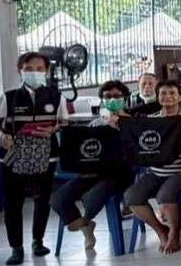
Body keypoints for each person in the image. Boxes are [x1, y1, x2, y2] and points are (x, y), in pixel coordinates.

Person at [0, 52, 67, 265]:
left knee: (42, 199)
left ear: (47, 71)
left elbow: (64, 122)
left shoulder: (56, 96)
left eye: (39, 69)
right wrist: (3, 136)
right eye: (29, 69)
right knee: (13, 202)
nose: (34, 72)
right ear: (20, 71)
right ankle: (16, 247)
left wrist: (52, 130)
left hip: (45, 154)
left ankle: (38, 241)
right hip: (13, 155)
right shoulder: (9, 97)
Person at [50, 81, 134, 252]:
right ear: (102, 100)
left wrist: (120, 130)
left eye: (117, 96)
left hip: (118, 174)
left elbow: (137, 152)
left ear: (124, 98)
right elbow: (86, 151)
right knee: (58, 199)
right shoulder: (95, 124)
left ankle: (85, 221)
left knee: (92, 196)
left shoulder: (133, 122)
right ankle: (85, 227)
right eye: (107, 96)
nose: (112, 99)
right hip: (90, 173)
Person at [123, 80, 181, 255]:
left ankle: (174, 232)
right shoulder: (151, 120)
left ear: (180, 97)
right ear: (158, 96)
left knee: (165, 194)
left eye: (172, 93)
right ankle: (161, 230)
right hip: (157, 172)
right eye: (163, 93)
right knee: (131, 196)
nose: (167, 97)